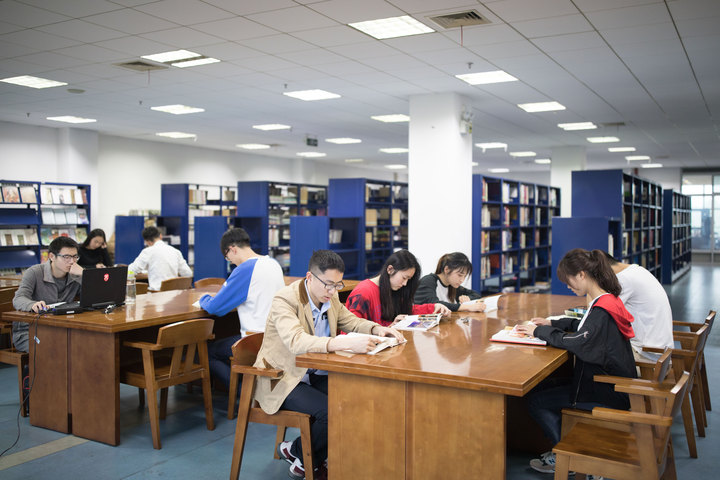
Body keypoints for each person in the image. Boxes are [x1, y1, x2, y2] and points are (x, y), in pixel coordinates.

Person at [254, 250, 404, 479]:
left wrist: (377, 329)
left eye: (337, 285)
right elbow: (296, 341)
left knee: (357, 401)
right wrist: (342, 343)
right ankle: (306, 459)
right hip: (283, 377)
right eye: (328, 284)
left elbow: (350, 320)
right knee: (332, 412)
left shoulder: (329, 297)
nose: (333, 291)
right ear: (310, 277)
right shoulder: (285, 299)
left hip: (314, 372)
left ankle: (298, 453)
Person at [514, 248, 637, 475]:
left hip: (605, 391)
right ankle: (569, 448)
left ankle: (569, 458)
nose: (569, 287)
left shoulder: (601, 310)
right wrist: (552, 323)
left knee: (536, 402)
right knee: (541, 387)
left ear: (581, 274)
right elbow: (583, 326)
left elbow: (578, 342)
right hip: (609, 383)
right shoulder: (607, 300)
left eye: (569, 281)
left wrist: (538, 331)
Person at [196, 227, 285, 389]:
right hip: (277, 337)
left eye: (227, 257)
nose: (230, 262)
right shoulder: (273, 263)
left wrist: (203, 299)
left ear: (233, 249)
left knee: (206, 353)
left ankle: (243, 392)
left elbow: (215, 308)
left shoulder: (245, 269)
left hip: (255, 340)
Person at [12, 236, 84, 352]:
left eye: (75, 257)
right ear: (52, 256)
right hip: (30, 331)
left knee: (85, 346)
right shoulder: (34, 272)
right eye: (66, 257)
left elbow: (95, 298)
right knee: (52, 351)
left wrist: (85, 275)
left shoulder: (76, 275)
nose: (72, 261)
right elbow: (18, 298)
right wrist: (32, 305)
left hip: (61, 329)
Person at [345, 249, 450, 326]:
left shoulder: (394, 288)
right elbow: (350, 329)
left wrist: (433, 307)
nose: (405, 284)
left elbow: (407, 311)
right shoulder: (364, 292)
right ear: (390, 269)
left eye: (408, 279)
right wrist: (389, 327)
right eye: (404, 278)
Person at [602, 251, 674, 360]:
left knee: (594, 356)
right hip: (662, 353)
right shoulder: (637, 270)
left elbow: (602, 312)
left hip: (648, 356)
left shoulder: (622, 279)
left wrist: (591, 285)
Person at [414, 252, 486, 312]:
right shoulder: (428, 281)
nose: (462, 280)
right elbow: (435, 304)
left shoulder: (452, 286)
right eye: (460, 275)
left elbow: (476, 295)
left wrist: (467, 298)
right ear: (447, 269)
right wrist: (467, 307)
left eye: (464, 276)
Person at [127, 226, 193, 291]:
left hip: (156, 293)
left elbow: (132, 270)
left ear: (146, 241)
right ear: (161, 236)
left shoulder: (148, 251)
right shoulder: (176, 251)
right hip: (174, 293)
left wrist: (127, 275)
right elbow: (188, 273)